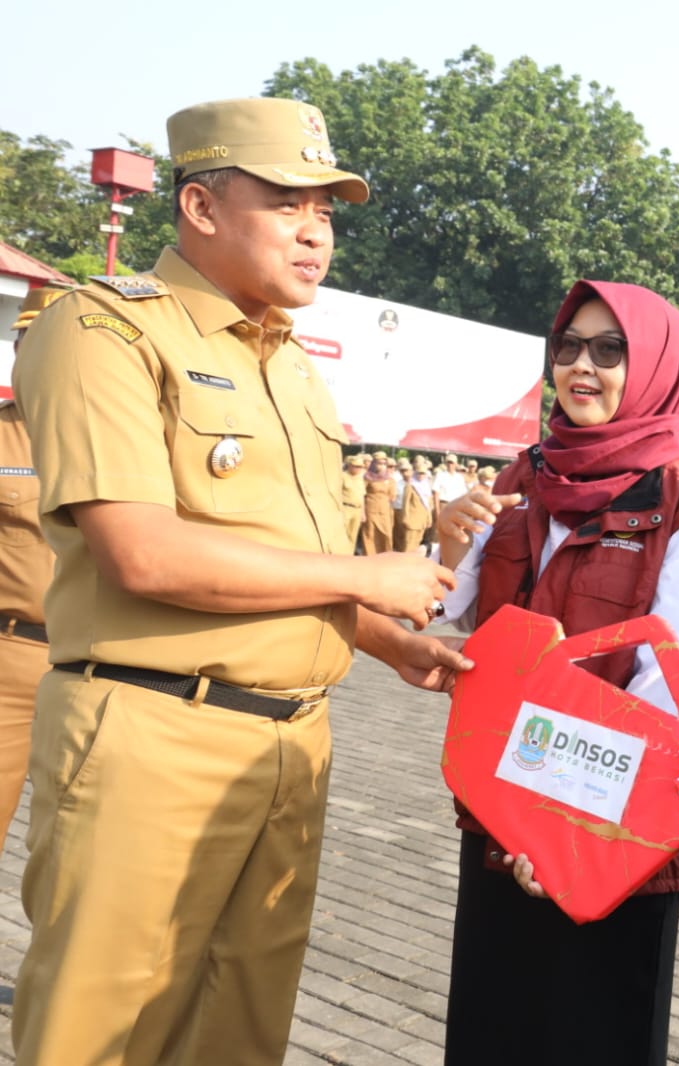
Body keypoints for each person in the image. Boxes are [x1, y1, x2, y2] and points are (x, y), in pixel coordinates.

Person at [8, 96, 469, 1066]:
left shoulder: (291, 365)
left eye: (329, 211)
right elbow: (145, 552)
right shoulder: (107, 331)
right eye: (289, 202)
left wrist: (388, 640)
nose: (316, 232)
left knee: (239, 1030)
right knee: (102, 1031)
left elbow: (271, 555)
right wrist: (367, 575)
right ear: (202, 208)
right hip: (152, 731)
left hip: (292, 741)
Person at [434, 279, 679, 1066]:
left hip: (612, 845)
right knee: (490, 1037)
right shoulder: (521, 479)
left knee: (592, 1040)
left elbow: (666, 702)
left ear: (655, 370)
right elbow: (433, 616)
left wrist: (556, 826)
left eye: (611, 351)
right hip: (499, 819)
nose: (582, 367)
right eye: (569, 346)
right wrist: (440, 548)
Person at [0, 285, 73, 856]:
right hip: (12, 663)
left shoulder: (127, 436)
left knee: (84, 851)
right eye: (37, 340)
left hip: (104, 669)